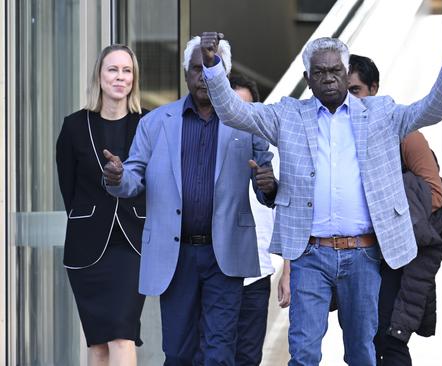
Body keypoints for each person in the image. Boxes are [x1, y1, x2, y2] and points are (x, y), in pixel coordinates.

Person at [202, 32, 442, 365]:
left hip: (363, 253)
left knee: (361, 353)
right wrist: (212, 66)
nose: (328, 78)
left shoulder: (380, 112)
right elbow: (234, 114)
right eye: (320, 72)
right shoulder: (288, 115)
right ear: (307, 79)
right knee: (304, 353)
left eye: (335, 71)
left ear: (345, 70)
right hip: (310, 254)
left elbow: (430, 111)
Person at [102, 37, 277, 365]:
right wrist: (116, 178)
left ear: (223, 73)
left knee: (220, 351)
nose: (202, 76)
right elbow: (133, 177)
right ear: (185, 74)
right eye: (196, 68)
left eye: (210, 68)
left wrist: (268, 187)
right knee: (179, 352)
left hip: (224, 253)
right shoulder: (155, 123)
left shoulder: (246, 120)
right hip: (176, 254)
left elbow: (264, 180)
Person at [347, 54, 442, 365]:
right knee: (359, 343)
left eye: (356, 90)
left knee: (390, 342)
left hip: (395, 256)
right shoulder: (336, 135)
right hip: (352, 252)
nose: (349, 98)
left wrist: (384, 209)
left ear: (373, 89)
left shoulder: (404, 134)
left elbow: (434, 195)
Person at [55, 44, 147, 366]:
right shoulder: (74, 126)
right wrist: (88, 219)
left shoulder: (148, 124)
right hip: (87, 248)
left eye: (127, 71)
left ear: (133, 79)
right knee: (98, 345)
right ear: (99, 75)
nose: (120, 77)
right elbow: (69, 187)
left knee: (122, 335)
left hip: (133, 244)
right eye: (113, 69)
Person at [229, 73, 275, 365]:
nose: (239, 116)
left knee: (248, 358)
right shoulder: (210, 151)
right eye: (232, 106)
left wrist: (289, 271)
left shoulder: (269, 151)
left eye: (245, 109)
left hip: (258, 271)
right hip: (216, 270)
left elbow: (288, 209)